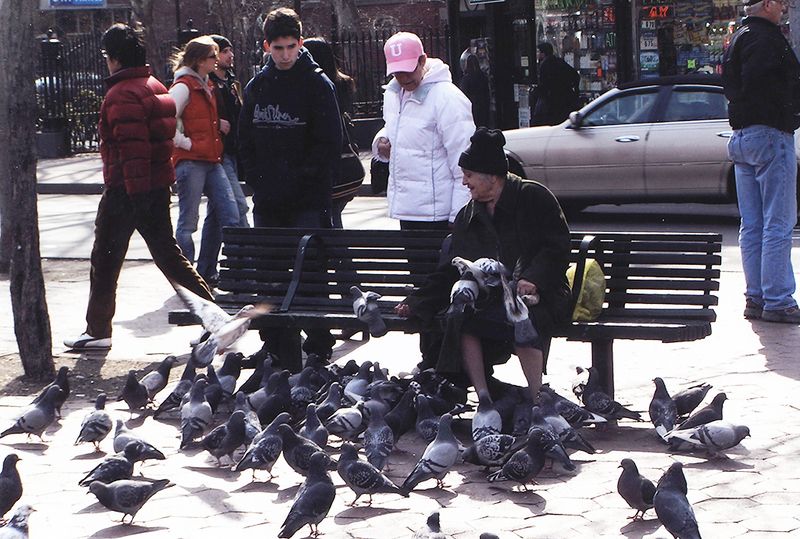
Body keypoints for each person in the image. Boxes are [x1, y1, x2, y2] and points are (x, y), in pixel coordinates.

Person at [64, 23, 214, 351]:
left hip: (126, 189)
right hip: (156, 185)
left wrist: (133, 194)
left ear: (114, 58)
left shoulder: (121, 94)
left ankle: (98, 329)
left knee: (105, 260)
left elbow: (132, 150)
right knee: (170, 257)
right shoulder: (154, 85)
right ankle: (214, 318)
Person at [394, 128, 573, 402]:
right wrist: (418, 301)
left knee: (522, 317)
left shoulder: (533, 197)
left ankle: (538, 398)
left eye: (469, 175)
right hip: (492, 296)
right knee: (464, 318)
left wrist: (533, 278)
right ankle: (484, 396)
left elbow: (557, 246)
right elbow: (453, 269)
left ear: (491, 175)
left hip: (543, 293)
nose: (464, 182)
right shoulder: (468, 215)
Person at [238, 8, 342, 362]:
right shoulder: (258, 86)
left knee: (311, 273)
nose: (284, 55)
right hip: (269, 199)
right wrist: (258, 180)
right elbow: (244, 142)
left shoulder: (318, 85)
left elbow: (329, 144)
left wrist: (301, 181)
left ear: (300, 43)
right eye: (278, 48)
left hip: (306, 200)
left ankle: (317, 346)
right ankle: (276, 346)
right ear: (267, 46)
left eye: (290, 47)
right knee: (269, 273)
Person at [722, 0, 800, 323]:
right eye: (781, 2)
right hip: (770, 133)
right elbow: (767, 85)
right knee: (778, 222)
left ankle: (756, 296)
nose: (784, 7)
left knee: (752, 224)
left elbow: (733, 86)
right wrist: (789, 112)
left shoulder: (739, 37)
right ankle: (778, 300)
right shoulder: (767, 39)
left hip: (742, 136)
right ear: (767, 4)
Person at [372, 31, 475, 231]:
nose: (403, 78)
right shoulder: (394, 94)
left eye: (408, 70)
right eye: (397, 72)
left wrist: (458, 215)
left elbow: (463, 160)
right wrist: (382, 140)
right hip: (408, 210)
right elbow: (396, 126)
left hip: (440, 214)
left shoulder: (448, 98)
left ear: (422, 60)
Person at [169, 36, 240, 286]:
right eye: (212, 56)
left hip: (210, 158)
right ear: (200, 61)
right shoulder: (183, 87)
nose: (216, 60)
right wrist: (187, 143)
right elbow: (166, 120)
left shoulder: (204, 84)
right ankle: (186, 277)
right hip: (191, 161)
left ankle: (232, 271)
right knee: (188, 223)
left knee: (231, 215)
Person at [304, 37, 358, 228]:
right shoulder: (344, 83)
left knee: (325, 216)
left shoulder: (317, 85)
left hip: (323, 159)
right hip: (343, 154)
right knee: (335, 214)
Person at [209, 34, 249, 228]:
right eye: (225, 51)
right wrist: (216, 124)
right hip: (219, 152)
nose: (231, 55)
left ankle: (208, 251)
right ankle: (247, 246)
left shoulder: (232, 82)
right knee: (238, 205)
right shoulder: (208, 84)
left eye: (231, 50)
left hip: (233, 150)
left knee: (216, 212)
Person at [531, 42, 580, 126]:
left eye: (539, 52)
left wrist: (538, 91)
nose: (538, 54)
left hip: (552, 101)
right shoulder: (559, 61)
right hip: (565, 99)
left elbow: (544, 85)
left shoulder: (545, 65)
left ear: (543, 53)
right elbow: (575, 75)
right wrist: (574, 90)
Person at [459, 54, 490, 128]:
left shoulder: (466, 78)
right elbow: (487, 92)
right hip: (483, 104)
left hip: (471, 106)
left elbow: (463, 93)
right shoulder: (483, 76)